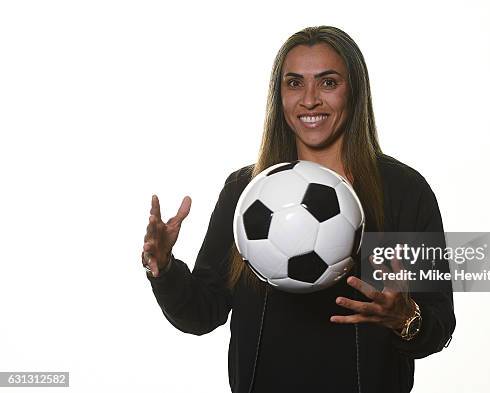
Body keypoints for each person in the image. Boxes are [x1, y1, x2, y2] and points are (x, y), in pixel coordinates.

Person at [141, 25, 455, 393]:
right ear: (279, 96)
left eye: (327, 83)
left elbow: (438, 326)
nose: (309, 100)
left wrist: (404, 317)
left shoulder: (403, 191)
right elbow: (202, 312)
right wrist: (163, 269)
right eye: (294, 83)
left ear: (354, 91)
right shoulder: (245, 192)